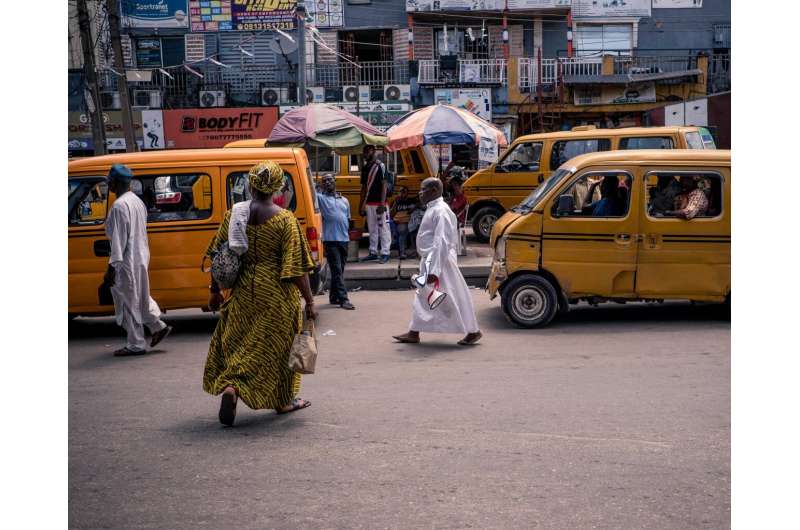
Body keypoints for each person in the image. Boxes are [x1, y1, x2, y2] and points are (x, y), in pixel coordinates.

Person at [203, 161, 317, 427]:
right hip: (277, 294)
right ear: (278, 187)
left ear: (250, 185)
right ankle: (284, 400)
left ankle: (233, 386)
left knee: (241, 345)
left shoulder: (235, 215)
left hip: (243, 291)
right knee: (277, 350)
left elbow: (220, 255)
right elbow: (297, 268)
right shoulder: (285, 220)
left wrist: (215, 290)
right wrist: (310, 301)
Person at [393, 178, 482, 346]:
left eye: (422, 189)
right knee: (424, 296)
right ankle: (414, 332)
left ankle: (473, 331)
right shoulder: (433, 209)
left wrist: (434, 269)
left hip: (438, 261)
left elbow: (441, 241)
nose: (419, 193)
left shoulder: (440, 211)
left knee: (452, 296)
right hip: (432, 260)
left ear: (433, 190)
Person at [102, 164, 172, 356]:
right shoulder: (136, 201)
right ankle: (158, 326)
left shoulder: (119, 206)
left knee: (128, 301)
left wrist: (111, 268)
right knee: (139, 296)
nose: (109, 186)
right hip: (140, 257)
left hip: (126, 261)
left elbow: (118, 242)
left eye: (110, 182)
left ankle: (136, 344)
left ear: (115, 183)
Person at [317, 174, 355, 310]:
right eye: (324, 181)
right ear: (322, 184)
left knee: (339, 270)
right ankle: (344, 299)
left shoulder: (344, 200)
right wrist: (317, 186)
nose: (327, 182)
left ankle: (333, 297)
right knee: (337, 270)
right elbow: (311, 191)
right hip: (330, 240)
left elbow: (348, 218)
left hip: (344, 239)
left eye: (329, 180)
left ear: (335, 181)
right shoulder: (320, 198)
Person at [358, 145, 391, 263]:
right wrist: (360, 205)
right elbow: (363, 188)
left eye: (366, 152)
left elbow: (384, 185)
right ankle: (373, 252)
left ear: (372, 151)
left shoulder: (380, 166)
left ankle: (385, 253)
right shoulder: (365, 167)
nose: (364, 155)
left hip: (380, 203)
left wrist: (382, 204)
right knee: (372, 228)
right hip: (369, 203)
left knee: (383, 228)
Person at [390, 186, 417, 260]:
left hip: (411, 221)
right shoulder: (396, 201)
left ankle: (415, 252)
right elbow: (391, 214)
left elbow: (419, 206)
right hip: (401, 221)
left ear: (407, 193)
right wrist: (396, 203)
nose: (402, 194)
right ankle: (402, 253)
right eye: (401, 192)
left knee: (415, 229)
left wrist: (414, 207)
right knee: (402, 230)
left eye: (404, 192)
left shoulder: (411, 201)